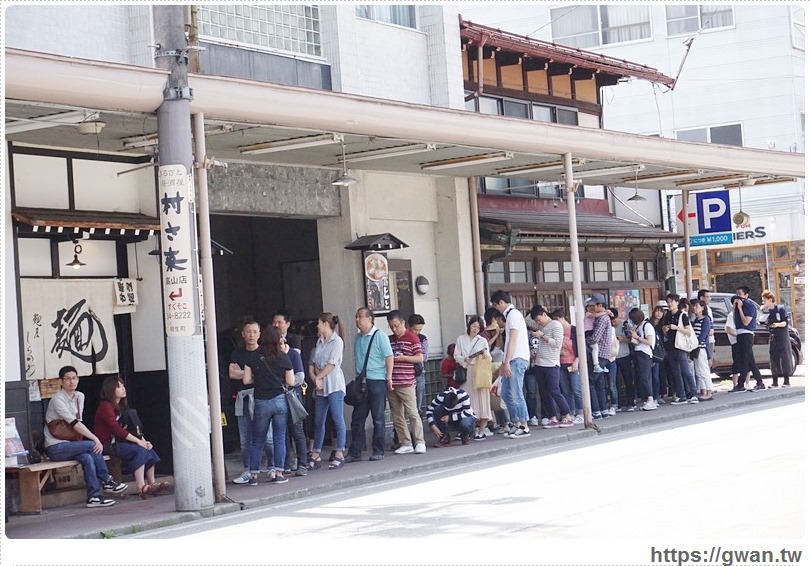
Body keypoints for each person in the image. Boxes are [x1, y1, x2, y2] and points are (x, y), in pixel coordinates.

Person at [43, 366, 127, 508]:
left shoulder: (79, 397)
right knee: (91, 445)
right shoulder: (57, 400)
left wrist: (92, 439)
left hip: (73, 445)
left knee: (88, 457)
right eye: (68, 379)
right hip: (56, 447)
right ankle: (107, 480)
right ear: (60, 382)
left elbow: (79, 422)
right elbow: (74, 423)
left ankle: (93, 497)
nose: (72, 382)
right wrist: (95, 439)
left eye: (74, 378)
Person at [94, 375, 166, 498]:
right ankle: (141, 486)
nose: (123, 388)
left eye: (123, 385)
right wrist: (138, 442)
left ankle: (152, 483)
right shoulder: (105, 406)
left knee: (148, 449)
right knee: (139, 450)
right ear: (110, 389)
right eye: (119, 386)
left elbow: (133, 428)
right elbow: (116, 429)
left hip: (119, 442)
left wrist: (143, 441)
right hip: (106, 444)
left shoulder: (121, 407)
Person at [242, 326, 295, 485]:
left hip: (261, 401)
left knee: (257, 439)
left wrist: (258, 379)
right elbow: (291, 381)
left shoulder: (253, 357)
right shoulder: (283, 357)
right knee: (279, 438)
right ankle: (278, 473)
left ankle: (253, 476)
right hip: (279, 400)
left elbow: (246, 380)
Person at [345, 307, 394, 463]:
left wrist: (389, 377)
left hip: (377, 380)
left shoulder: (380, 336)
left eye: (360, 317)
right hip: (362, 381)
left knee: (378, 417)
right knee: (357, 418)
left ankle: (378, 450)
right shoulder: (358, 338)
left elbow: (389, 356)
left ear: (370, 319)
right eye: (356, 317)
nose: (357, 320)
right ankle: (355, 451)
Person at [228, 320, 273, 484]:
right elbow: (232, 373)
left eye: (255, 332)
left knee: (267, 436)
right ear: (243, 334)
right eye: (248, 332)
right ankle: (247, 470)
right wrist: (252, 373)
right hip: (242, 397)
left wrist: (245, 373)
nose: (251, 335)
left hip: (261, 397)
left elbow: (264, 375)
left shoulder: (265, 353)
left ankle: (272, 466)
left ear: (260, 334)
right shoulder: (237, 353)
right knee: (245, 438)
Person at [307, 312, 347, 470]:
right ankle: (316, 453)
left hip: (334, 385)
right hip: (321, 385)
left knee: (337, 418)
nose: (317, 326)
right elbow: (316, 361)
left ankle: (340, 452)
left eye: (319, 323)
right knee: (319, 420)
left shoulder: (337, 342)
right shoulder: (320, 341)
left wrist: (318, 378)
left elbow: (332, 364)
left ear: (325, 324)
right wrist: (316, 377)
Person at [490, 290, 531, 438]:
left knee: (515, 392)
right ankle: (516, 423)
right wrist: (504, 362)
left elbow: (512, 340)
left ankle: (524, 425)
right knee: (507, 393)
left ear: (501, 302)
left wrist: (506, 361)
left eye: (496, 305)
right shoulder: (512, 316)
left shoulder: (513, 315)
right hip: (513, 358)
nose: (497, 309)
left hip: (516, 358)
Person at [386, 310, 426, 455]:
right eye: (391, 327)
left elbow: (420, 358)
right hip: (392, 382)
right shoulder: (389, 339)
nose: (394, 329)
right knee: (397, 415)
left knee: (413, 413)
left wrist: (403, 358)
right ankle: (405, 443)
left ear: (403, 323)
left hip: (407, 381)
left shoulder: (412, 338)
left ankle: (420, 441)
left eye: (396, 325)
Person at [529, 306, 574, 428]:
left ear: (544, 314)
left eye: (539, 320)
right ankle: (552, 417)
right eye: (536, 321)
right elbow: (528, 321)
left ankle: (567, 415)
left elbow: (557, 344)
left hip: (551, 364)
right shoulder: (541, 327)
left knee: (555, 391)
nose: (538, 323)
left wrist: (542, 336)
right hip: (539, 363)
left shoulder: (556, 325)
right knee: (544, 393)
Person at [453, 315, 491, 440]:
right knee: (466, 399)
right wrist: (464, 359)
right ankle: (468, 428)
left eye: (478, 327)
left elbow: (488, 357)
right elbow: (456, 355)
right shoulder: (461, 338)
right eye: (473, 326)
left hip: (479, 371)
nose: (475, 329)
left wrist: (484, 355)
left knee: (481, 400)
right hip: (466, 370)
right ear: (469, 326)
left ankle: (482, 429)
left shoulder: (482, 340)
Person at [663, 295, 699, 405]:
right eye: (668, 302)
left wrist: (677, 328)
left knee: (686, 371)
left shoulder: (682, 315)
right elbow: (665, 330)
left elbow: (688, 332)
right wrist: (665, 329)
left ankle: (693, 394)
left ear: (677, 302)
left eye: (671, 302)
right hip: (671, 346)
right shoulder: (667, 315)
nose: (669, 304)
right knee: (676, 373)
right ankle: (681, 395)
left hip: (681, 347)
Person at [552, 308, 584, 424]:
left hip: (573, 362)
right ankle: (570, 412)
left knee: (576, 389)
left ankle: (581, 412)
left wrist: (577, 360)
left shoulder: (574, 330)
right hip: (561, 363)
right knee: (566, 391)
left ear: (561, 318)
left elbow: (580, 347)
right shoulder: (557, 331)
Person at [731, 286, 765, 392]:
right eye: (737, 293)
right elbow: (734, 319)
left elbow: (746, 322)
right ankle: (742, 384)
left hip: (747, 334)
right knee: (746, 359)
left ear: (746, 295)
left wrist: (740, 308)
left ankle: (758, 382)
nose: (738, 296)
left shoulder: (749, 305)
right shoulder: (737, 305)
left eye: (740, 294)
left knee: (748, 359)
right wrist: (735, 307)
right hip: (740, 333)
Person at [584, 294, 612, 419]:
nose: (591, 308)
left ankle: (596, 411)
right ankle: (604, 409)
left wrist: (584, 339)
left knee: (590, 382)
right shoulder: (602, 317)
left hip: (600, 353)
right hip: (604, 354)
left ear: (600, 305)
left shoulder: (602, 319)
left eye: (593, 305)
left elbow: (595, 338)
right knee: (600, 383)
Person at [426, 381, 475, 447]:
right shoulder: (441, 397)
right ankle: (444, 437)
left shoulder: (463, 395)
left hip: (463, 417)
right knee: (437, 410)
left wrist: (450, 417)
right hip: (447, 417)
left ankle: (465, 435)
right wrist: (432, 425)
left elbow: (468, 413)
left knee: (465, 423)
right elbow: (429, 409)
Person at [628, 308, 657, 411]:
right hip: (638, 352)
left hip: (645, 353)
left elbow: (649, 341)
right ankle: (647, 398)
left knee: (645, 377)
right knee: (641, 377)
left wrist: (637, 337)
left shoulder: (647, 326)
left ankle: (651, 399)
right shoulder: (639, 326)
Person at [761, 290, 792, 388]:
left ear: (770, 299)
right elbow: (763, 322)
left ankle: (786, 381)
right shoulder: (766, 312)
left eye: (764, 300)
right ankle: (775, 381)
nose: (763, 303)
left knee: (784, 357)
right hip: (773, 336)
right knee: (773, 358)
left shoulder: (780, 309)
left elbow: (785, 323)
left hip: (782, 336)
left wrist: (776, 325)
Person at [690, 299, 714, 401]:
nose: (694, 308)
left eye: (697, 306)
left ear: (702, 308)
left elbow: (703, 335)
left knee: (704, 371)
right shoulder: (696, 320)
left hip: (701, 348)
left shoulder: (706, 319)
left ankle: (709, 391)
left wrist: (695, 343)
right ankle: (703, 391)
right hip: (696, 348)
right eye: (694, 306)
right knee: (699, 371)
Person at [614, 308, 636, 412]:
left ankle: (631, 402)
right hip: (613, 357)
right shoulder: (607, 326)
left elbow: (633, 339)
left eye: (614, 320)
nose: (613, 323)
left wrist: (624, 339)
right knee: (615, 382)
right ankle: (617, 403)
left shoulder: (625, 324)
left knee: (628, 380)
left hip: (625, 355)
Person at [407, 314, 429, 416]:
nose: (417, 332)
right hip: (405, 374)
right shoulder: (404, 337)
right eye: (415, 329)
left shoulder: (423, 338)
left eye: (420, 329)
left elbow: (425, 356)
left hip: (419, 372)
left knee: (418, 400)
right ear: (409, 326)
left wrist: (411, 357)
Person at [650, 303, 668, 405]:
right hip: (653, 352)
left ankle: (660, 394)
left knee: (660, 374)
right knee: (654, 375)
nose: (658, 313)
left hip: (661, 352)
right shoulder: (649, 324)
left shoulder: (663, 324)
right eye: (657, 311)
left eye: (661, 312)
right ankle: (654, 396)